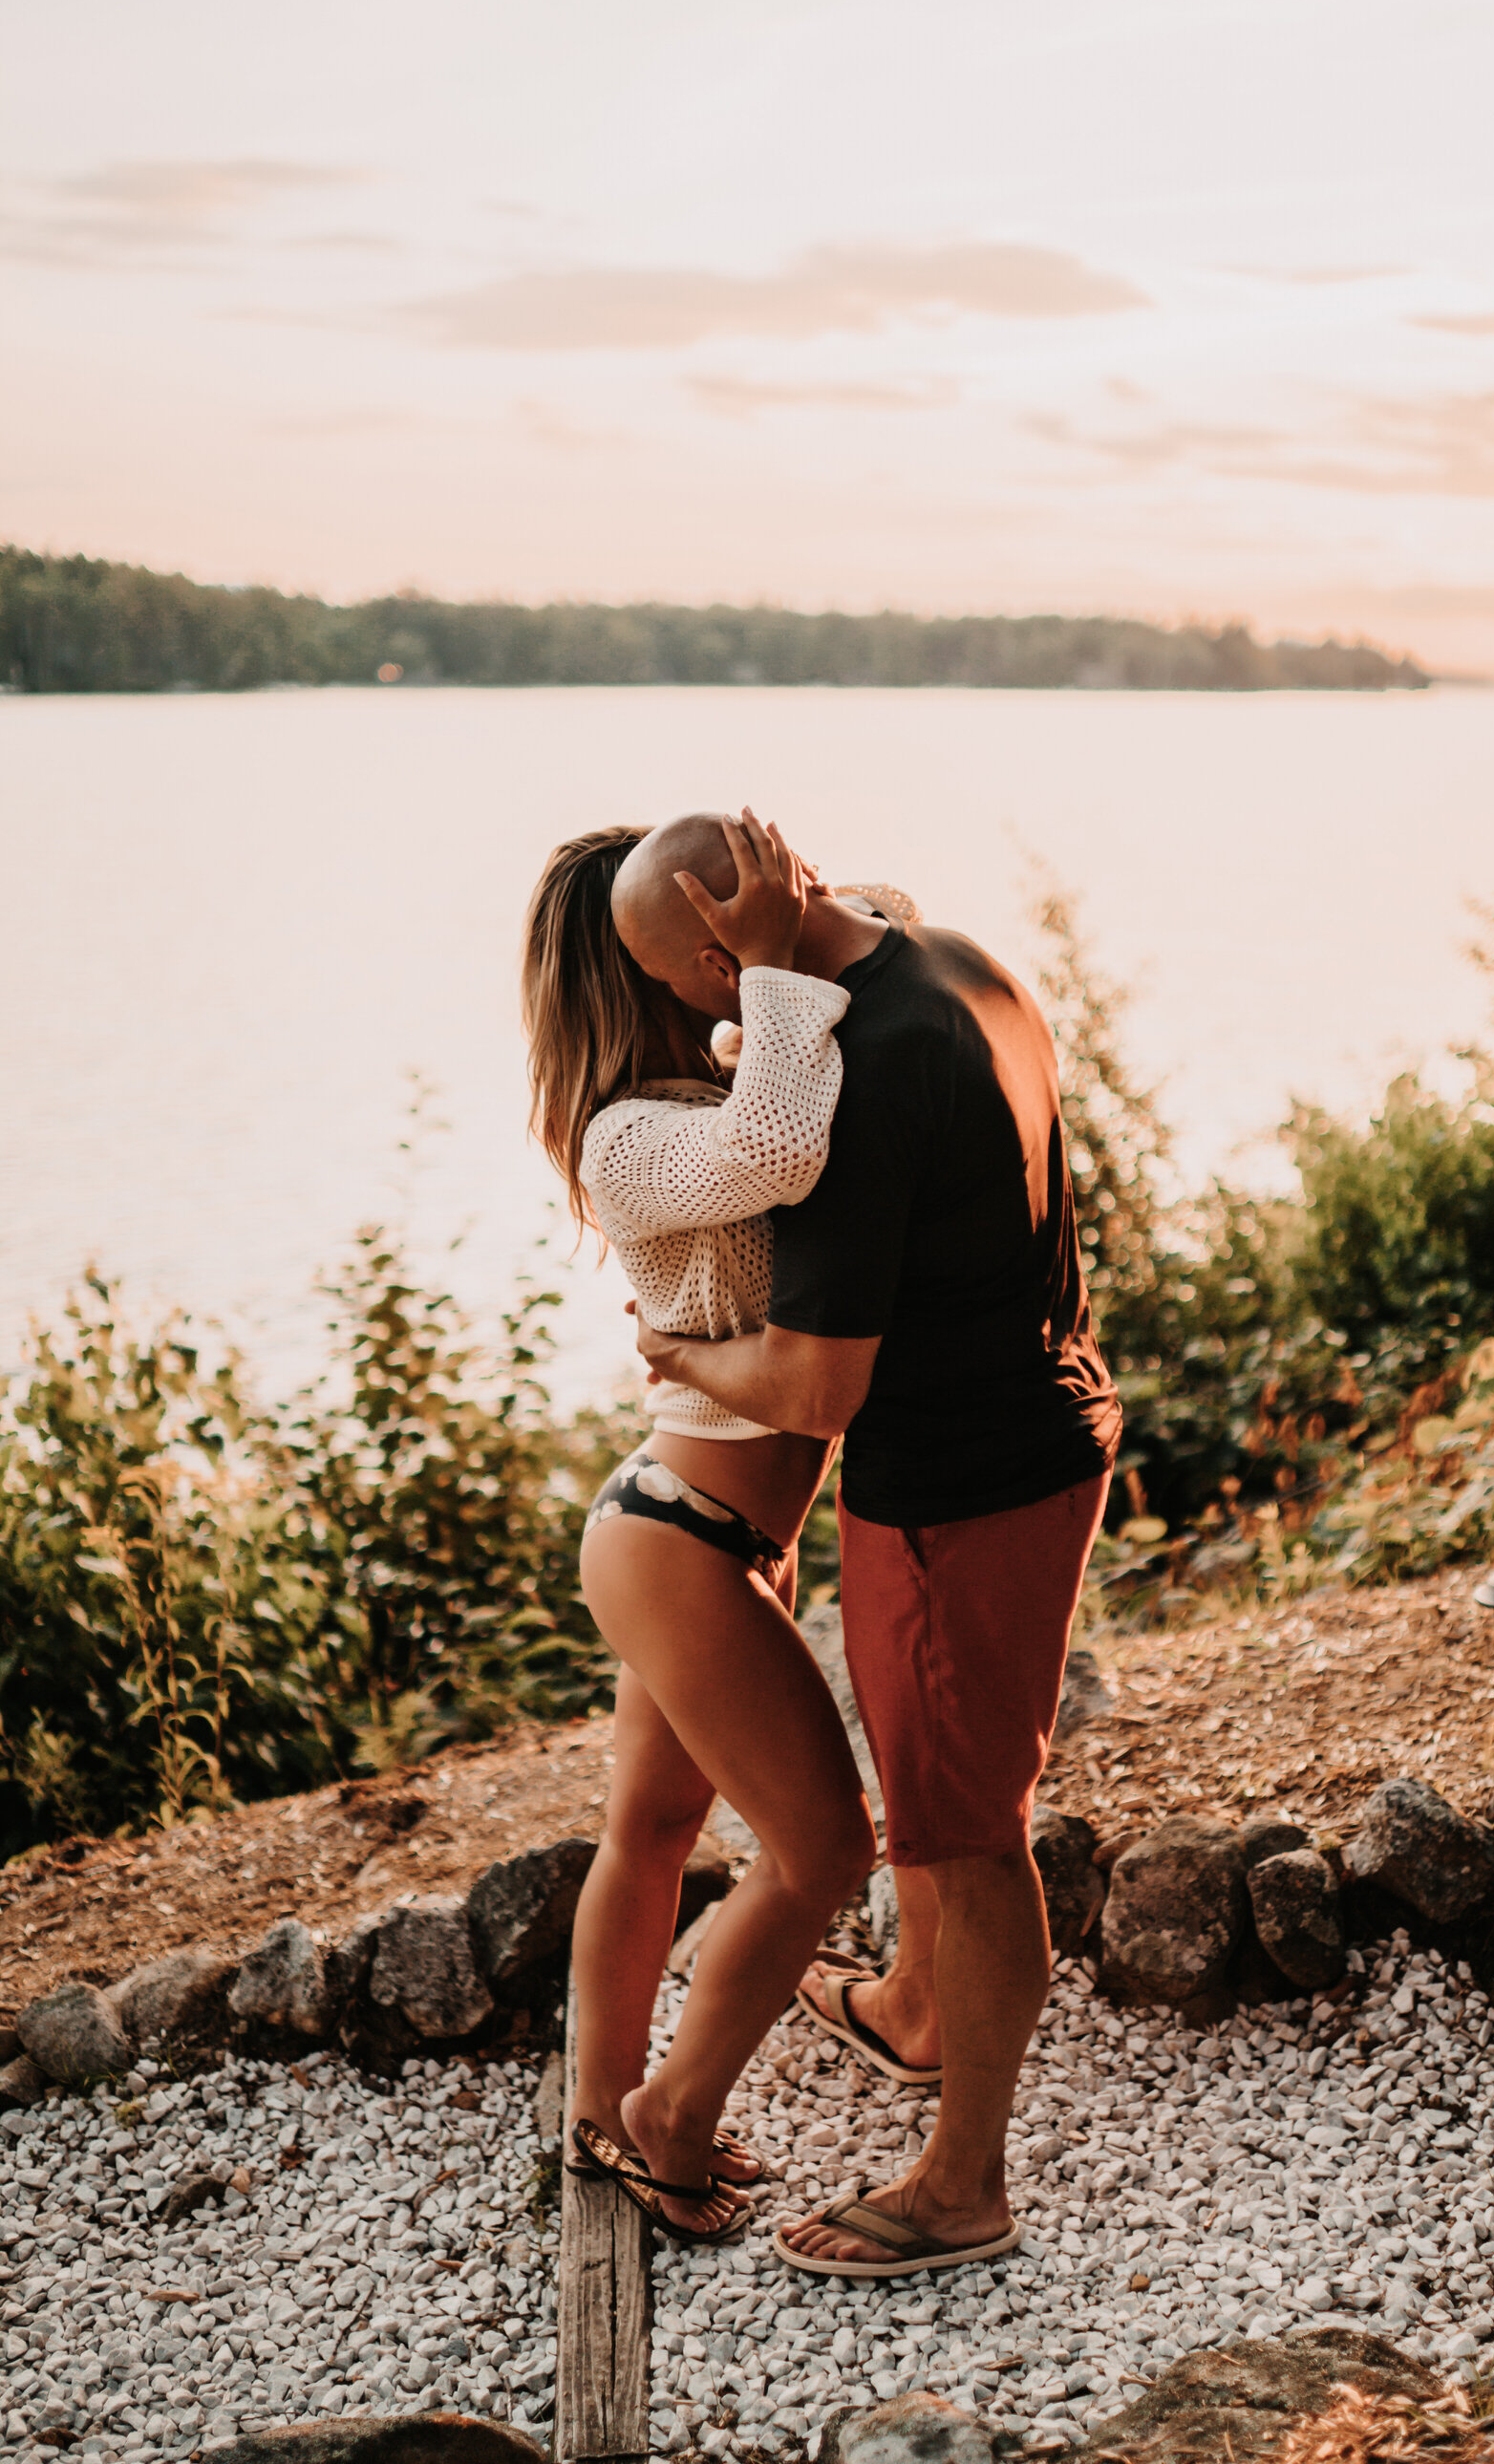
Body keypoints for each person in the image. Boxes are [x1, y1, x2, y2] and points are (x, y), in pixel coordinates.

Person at [628, 819, 1123, 2280]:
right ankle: (916, 2005)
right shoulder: (953, 960)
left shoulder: (858, 1072)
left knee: (961, 1836)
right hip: (1042, 1423)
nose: (702, 1023)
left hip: (957, 1491)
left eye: (691, 990)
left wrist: (678, 1350)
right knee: (944, 1793)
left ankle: (960, 2183)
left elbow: (814, 1388)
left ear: (730, 954)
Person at [520, 811, 878, 2246]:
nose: (720, 963)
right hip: (676, 1540)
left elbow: (882, 927)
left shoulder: (721, 1070)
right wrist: (774, 961)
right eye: (686, 947)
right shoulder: (629, 1141)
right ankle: (669, 2115)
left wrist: (774, 917)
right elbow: (786, 1150)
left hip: (701, 1533)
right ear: (635, 975)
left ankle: (599, 2127)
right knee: (823, 1853)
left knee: (654, 1830)